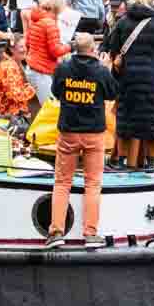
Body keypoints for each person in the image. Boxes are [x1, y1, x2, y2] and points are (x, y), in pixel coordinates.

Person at [44, 33, 119, 250]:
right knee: (93, 184)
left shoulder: (64, 68)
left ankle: (56, 231)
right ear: (93, 49)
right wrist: (106, 67)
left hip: (68, 131)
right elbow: (112, 93)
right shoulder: (100, 71)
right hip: (94, 133)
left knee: (62, 182)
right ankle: (90, 234)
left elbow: (56, 92)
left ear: (75, 49)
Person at [105, 0, 154, 169]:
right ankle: (150, 163)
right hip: (151, 80)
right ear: (151, 0)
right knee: (152, 120)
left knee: (126, 118)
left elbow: (113, 51)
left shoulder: (123, 22)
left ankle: (120, 160)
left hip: (127, 79)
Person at [24, 0, 71, 105]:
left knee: (41, 109)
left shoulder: (36, 20)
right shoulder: (50, 23)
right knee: (50, 110)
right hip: (42, 72)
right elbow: (55, 51)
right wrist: (70, 46)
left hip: (32, 68)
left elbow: (27, 43)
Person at [0, 36, 37, 119]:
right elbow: (15, 95)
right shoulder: (9, 67)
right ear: (11, 49)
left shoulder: (14, 64)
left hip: (14, 114)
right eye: (21, 46)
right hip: (10, 116)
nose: (25, 49)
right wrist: (32, 89)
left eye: (25, 46)